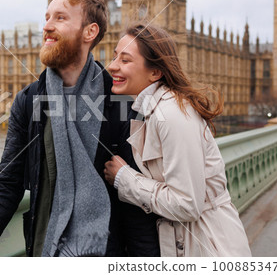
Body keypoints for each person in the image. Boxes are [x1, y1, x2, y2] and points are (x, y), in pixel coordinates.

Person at [0, 0, 160, 257]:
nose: (46, 26)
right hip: (47, 249)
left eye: (60, 18)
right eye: (46, 17)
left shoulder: (120, 100)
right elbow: (7, 183)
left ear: (89, 32)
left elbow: (136, 206)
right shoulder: (28, 101)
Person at [104, 22, 252, 257]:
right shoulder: (151, 109)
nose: (112, 66)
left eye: (125, 60)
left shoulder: (172, 113)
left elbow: (186, 204)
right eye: (114, 57)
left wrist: (125, 179)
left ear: (155, 72)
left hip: (208, 246)